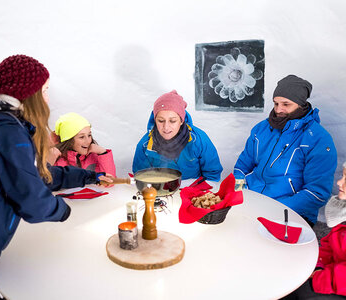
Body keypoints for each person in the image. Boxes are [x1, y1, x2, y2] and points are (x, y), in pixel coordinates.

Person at [0, 55, 111, 299]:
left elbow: (36, 176)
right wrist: (62, 210)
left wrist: (88, 176)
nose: (48, 98)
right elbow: (32, 201)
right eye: (44, 90)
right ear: (29, 95)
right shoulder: (9, 133)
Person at [234, 75, 337, 226]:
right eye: (275, 103)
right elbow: (241, 167)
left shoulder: (318, 139)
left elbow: (317, 193)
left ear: (301, 105)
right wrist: (240, 192)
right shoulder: (261, 129)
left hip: (291, 213)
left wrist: (275, 209)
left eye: (285, 104)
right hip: (252, 201)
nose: (278, 110)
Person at [283, 162, 346, 299]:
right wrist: (318, 265)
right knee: (287, 278)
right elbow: (328, 246)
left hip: (338, 284)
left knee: (292, 290)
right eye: (342, 176)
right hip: (330, 275)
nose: (339, 182)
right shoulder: (342, 214)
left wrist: (319, 278)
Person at [132, 90, 222, 181]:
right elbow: (141, 177)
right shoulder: (145, 145)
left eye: (173, 121)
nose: (166, 127)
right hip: (162, 191)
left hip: (195, 190)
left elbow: (212, 175)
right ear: (155, 120)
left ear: (182, 120)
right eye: (161, 121)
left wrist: (199, 192)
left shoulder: (199, 140)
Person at [51, 112, 116, 177]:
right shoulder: (57, 159)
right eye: (81, 137)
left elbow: (109, 181)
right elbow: (46, 183)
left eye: (89, 135)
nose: (88, 141)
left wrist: (103, 153)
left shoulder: (93, 156)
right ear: (69, 141)